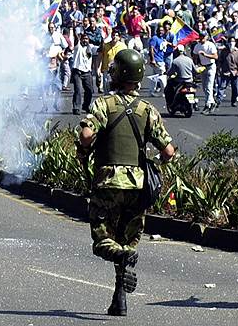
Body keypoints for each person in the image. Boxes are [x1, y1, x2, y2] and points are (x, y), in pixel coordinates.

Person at [77, 48, 175, 316]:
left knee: (103, 241)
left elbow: (86, 135)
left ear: (116, 74)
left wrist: (85, 150)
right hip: (137, 187)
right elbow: (168, 151)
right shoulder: (148, 110)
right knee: (127, 242)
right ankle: (119, 300)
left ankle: (119, 257)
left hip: (108, 183)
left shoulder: (104, 104)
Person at [193, 31, 218, 114]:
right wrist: (196, 65)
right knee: (204, 87)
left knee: (209, 86)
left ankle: (208, 105)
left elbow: (215, 56)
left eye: (203, 37)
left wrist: (205, 55)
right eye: (200, 36)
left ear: (206, 37)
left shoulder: (210, 45)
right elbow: (195, 56)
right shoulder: (197, 46)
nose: (202, 38)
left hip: (211, 66)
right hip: (203, 67)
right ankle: (213, 102)